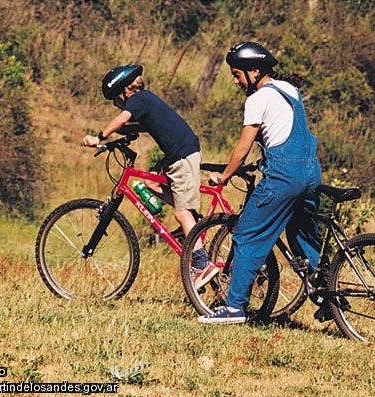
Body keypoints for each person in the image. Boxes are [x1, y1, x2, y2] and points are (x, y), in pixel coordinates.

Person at [198, 42, 322, 324]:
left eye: (237, 74)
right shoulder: (290, 90)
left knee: (246, 235)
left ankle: (234, 308)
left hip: (284, 177)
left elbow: (242, 148)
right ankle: (325, 293)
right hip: (311, 172)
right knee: (302, 235)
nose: (234, 80)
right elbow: (283, 132)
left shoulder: (256, 99)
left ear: (254, 71)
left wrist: (224, 176)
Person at [82, 64, 218, 287]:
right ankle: (193, 222)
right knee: (151, 180)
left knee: (181, 214)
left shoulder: (137, 99)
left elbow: (122, 119)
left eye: (115, 100)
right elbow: (145, 125)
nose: (117, 105)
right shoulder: (146, 101)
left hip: (182, 155)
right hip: (178, 153)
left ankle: (202, 265)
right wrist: (121, 133)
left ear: (124, 91)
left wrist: (100, 137)